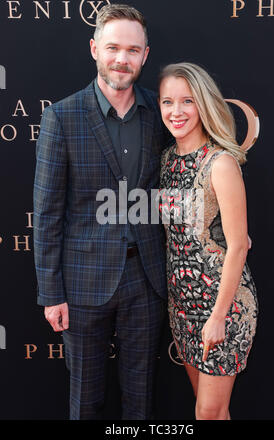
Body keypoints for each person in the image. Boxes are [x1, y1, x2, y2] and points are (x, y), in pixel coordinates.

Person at [33, 4, 171, 420]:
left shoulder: (161, 113)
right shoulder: (62, 116)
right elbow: (47, 213)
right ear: (95, 49)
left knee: (140, 398)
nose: (121, 59)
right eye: (113, 48)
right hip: (81, 284)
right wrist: (51, 292)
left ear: (145, 56)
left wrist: (225, 228)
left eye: (132, 50)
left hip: (146, 280)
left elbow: (186, 180)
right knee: (86, 399)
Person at [158, 62, 258, 420]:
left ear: (203, 104)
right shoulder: (168, 160)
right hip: (183, 307)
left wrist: (217, 316)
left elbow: (238, 245)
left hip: (222, 307)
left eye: (187, 101)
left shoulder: (220, 163)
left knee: (208, 414)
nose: (177, 111)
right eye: (167, 102)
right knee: (214, 411)